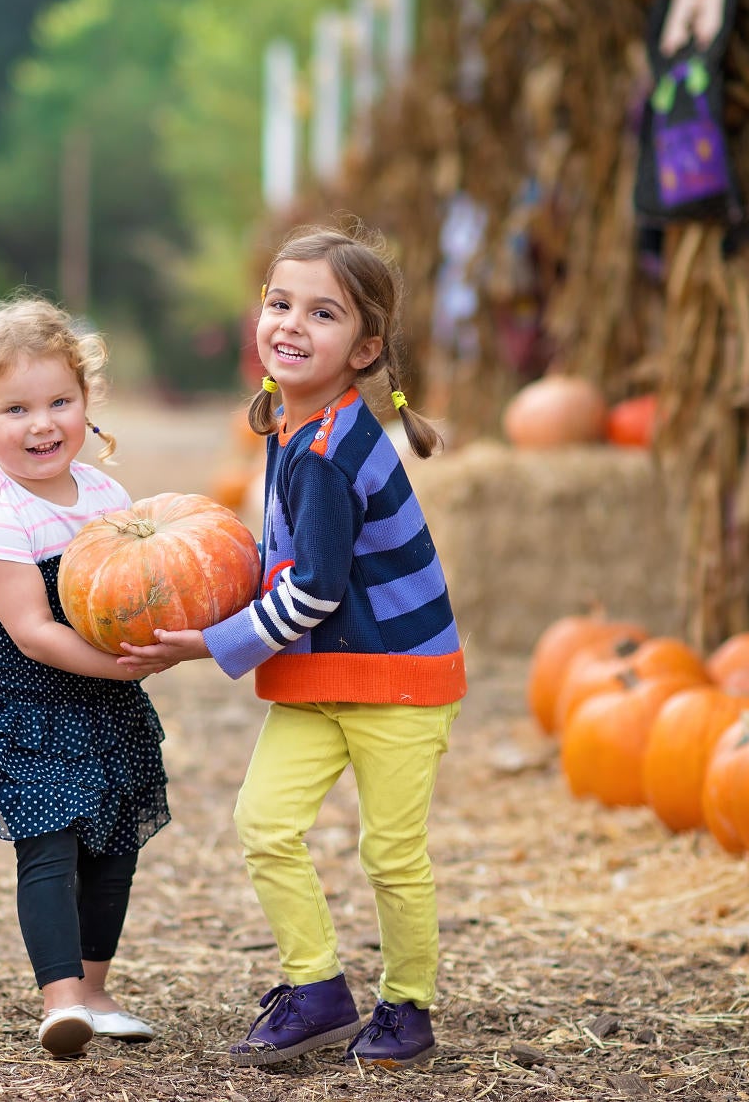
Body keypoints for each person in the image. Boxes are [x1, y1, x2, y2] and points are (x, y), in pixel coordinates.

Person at [120, 224, 466, 1070]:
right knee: (264, 821)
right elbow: (293, 564)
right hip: (325, 669)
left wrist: (210, 641)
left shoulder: (326, 452)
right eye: (280, 303)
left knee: (388, 850)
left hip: (398, 675)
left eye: (323, 312)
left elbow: (313, 587)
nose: (291, 323)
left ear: (366, 347)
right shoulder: (294, 427)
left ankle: (408, 1005)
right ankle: (317, 988)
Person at [0, 296, 175, 1059]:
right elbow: (33, 632)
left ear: (87, 402)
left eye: (60, 401)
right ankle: (59, 999)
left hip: (102, 704)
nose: (42, 423)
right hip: (24, 707)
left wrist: (161, 633)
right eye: (16, 407)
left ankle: (96, 989)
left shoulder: (105, 497)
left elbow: (130, 589)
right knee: (51, 846)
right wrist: (127, 663)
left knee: (114, 846)